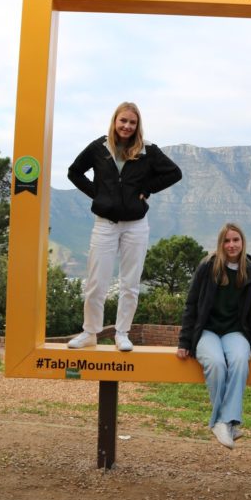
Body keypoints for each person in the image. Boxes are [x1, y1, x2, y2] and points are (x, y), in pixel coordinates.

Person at [66, 101, 182, 351]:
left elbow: (174, 173)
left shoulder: (148, 150)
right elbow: (74, 172)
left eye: (132, 122)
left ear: (138, 125)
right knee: (97, 282)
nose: (127, 126)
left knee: (130, 283)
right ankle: (89, 332)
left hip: (136, 226)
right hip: (105, 224)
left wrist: (146, 189)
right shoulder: (99, 147)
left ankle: (122, 333)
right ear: (115, 121)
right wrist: (98, 195)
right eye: (123, 121)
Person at [177, 223, 251, 449]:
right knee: (215, 363)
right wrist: (185, 341)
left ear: (242, 242)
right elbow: (191, 305)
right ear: (220, 243)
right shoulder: (208, 267)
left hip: (235, 332)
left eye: (236, 240)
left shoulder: (250, 270)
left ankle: (223, 422)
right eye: (227, 240)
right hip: (207, 330)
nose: (231, 245)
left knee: (238, 361)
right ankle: (226, 423)